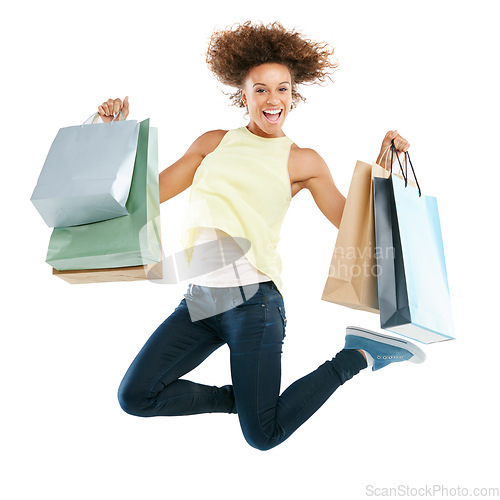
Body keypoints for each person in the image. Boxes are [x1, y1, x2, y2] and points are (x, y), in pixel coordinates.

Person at [99, 21, 425, 451]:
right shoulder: (213, 143)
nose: (273, 100)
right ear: (243, 95)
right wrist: (113, 137)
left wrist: (382, 165)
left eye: (283, 89)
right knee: (135, 396)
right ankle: (244, 401)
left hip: (255, 304)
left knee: (263, 436)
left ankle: (356, 356)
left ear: (294, 95)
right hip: (201, 301)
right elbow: (146, 197)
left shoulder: (302, 161)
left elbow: (354, 226)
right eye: (261, 89)